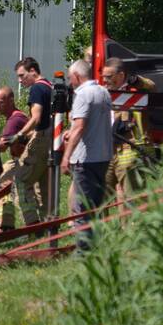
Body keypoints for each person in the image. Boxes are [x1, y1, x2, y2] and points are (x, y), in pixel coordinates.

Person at [60, 59, 113, 253]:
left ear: (76, 76)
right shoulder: (103, 92)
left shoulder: (83, 94)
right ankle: (94, 245)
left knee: (82, 207)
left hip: (86, 158)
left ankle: (83, 252)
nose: (69, 81)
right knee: (95, 206)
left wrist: (66, 157)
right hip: (103, 156)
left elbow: (80, 126)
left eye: (69, 77)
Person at [1, 57, 53, 226]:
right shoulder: (49, 86)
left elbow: (36, 117)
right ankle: (49, 225)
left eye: (22, 75)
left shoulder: (37, 88)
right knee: (45, 187)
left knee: (20, 183)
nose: (20, 80)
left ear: (33, 71)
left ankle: (32, 225)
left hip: (40, 139)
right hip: (52, 140)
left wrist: (20, 135)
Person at [102, 57, 157, 198]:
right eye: (103, 77)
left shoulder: (135, 91)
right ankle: (102, 221)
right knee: (99, 198)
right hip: (107, 152)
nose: (104, 80)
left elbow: (151, 87)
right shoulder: (103, 92)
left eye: (109, 77)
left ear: (121, 75)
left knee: (131, 198)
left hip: (129, 152)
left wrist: (135, 79)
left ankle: (131, 221)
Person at [0, 86, 30, 231]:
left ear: (11, 100)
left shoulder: (14, 120)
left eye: (0, 102)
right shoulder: (18, 116)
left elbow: (2, 146)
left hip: (21, 161)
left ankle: (5, 224)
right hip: (21, 160)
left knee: (0, 186)